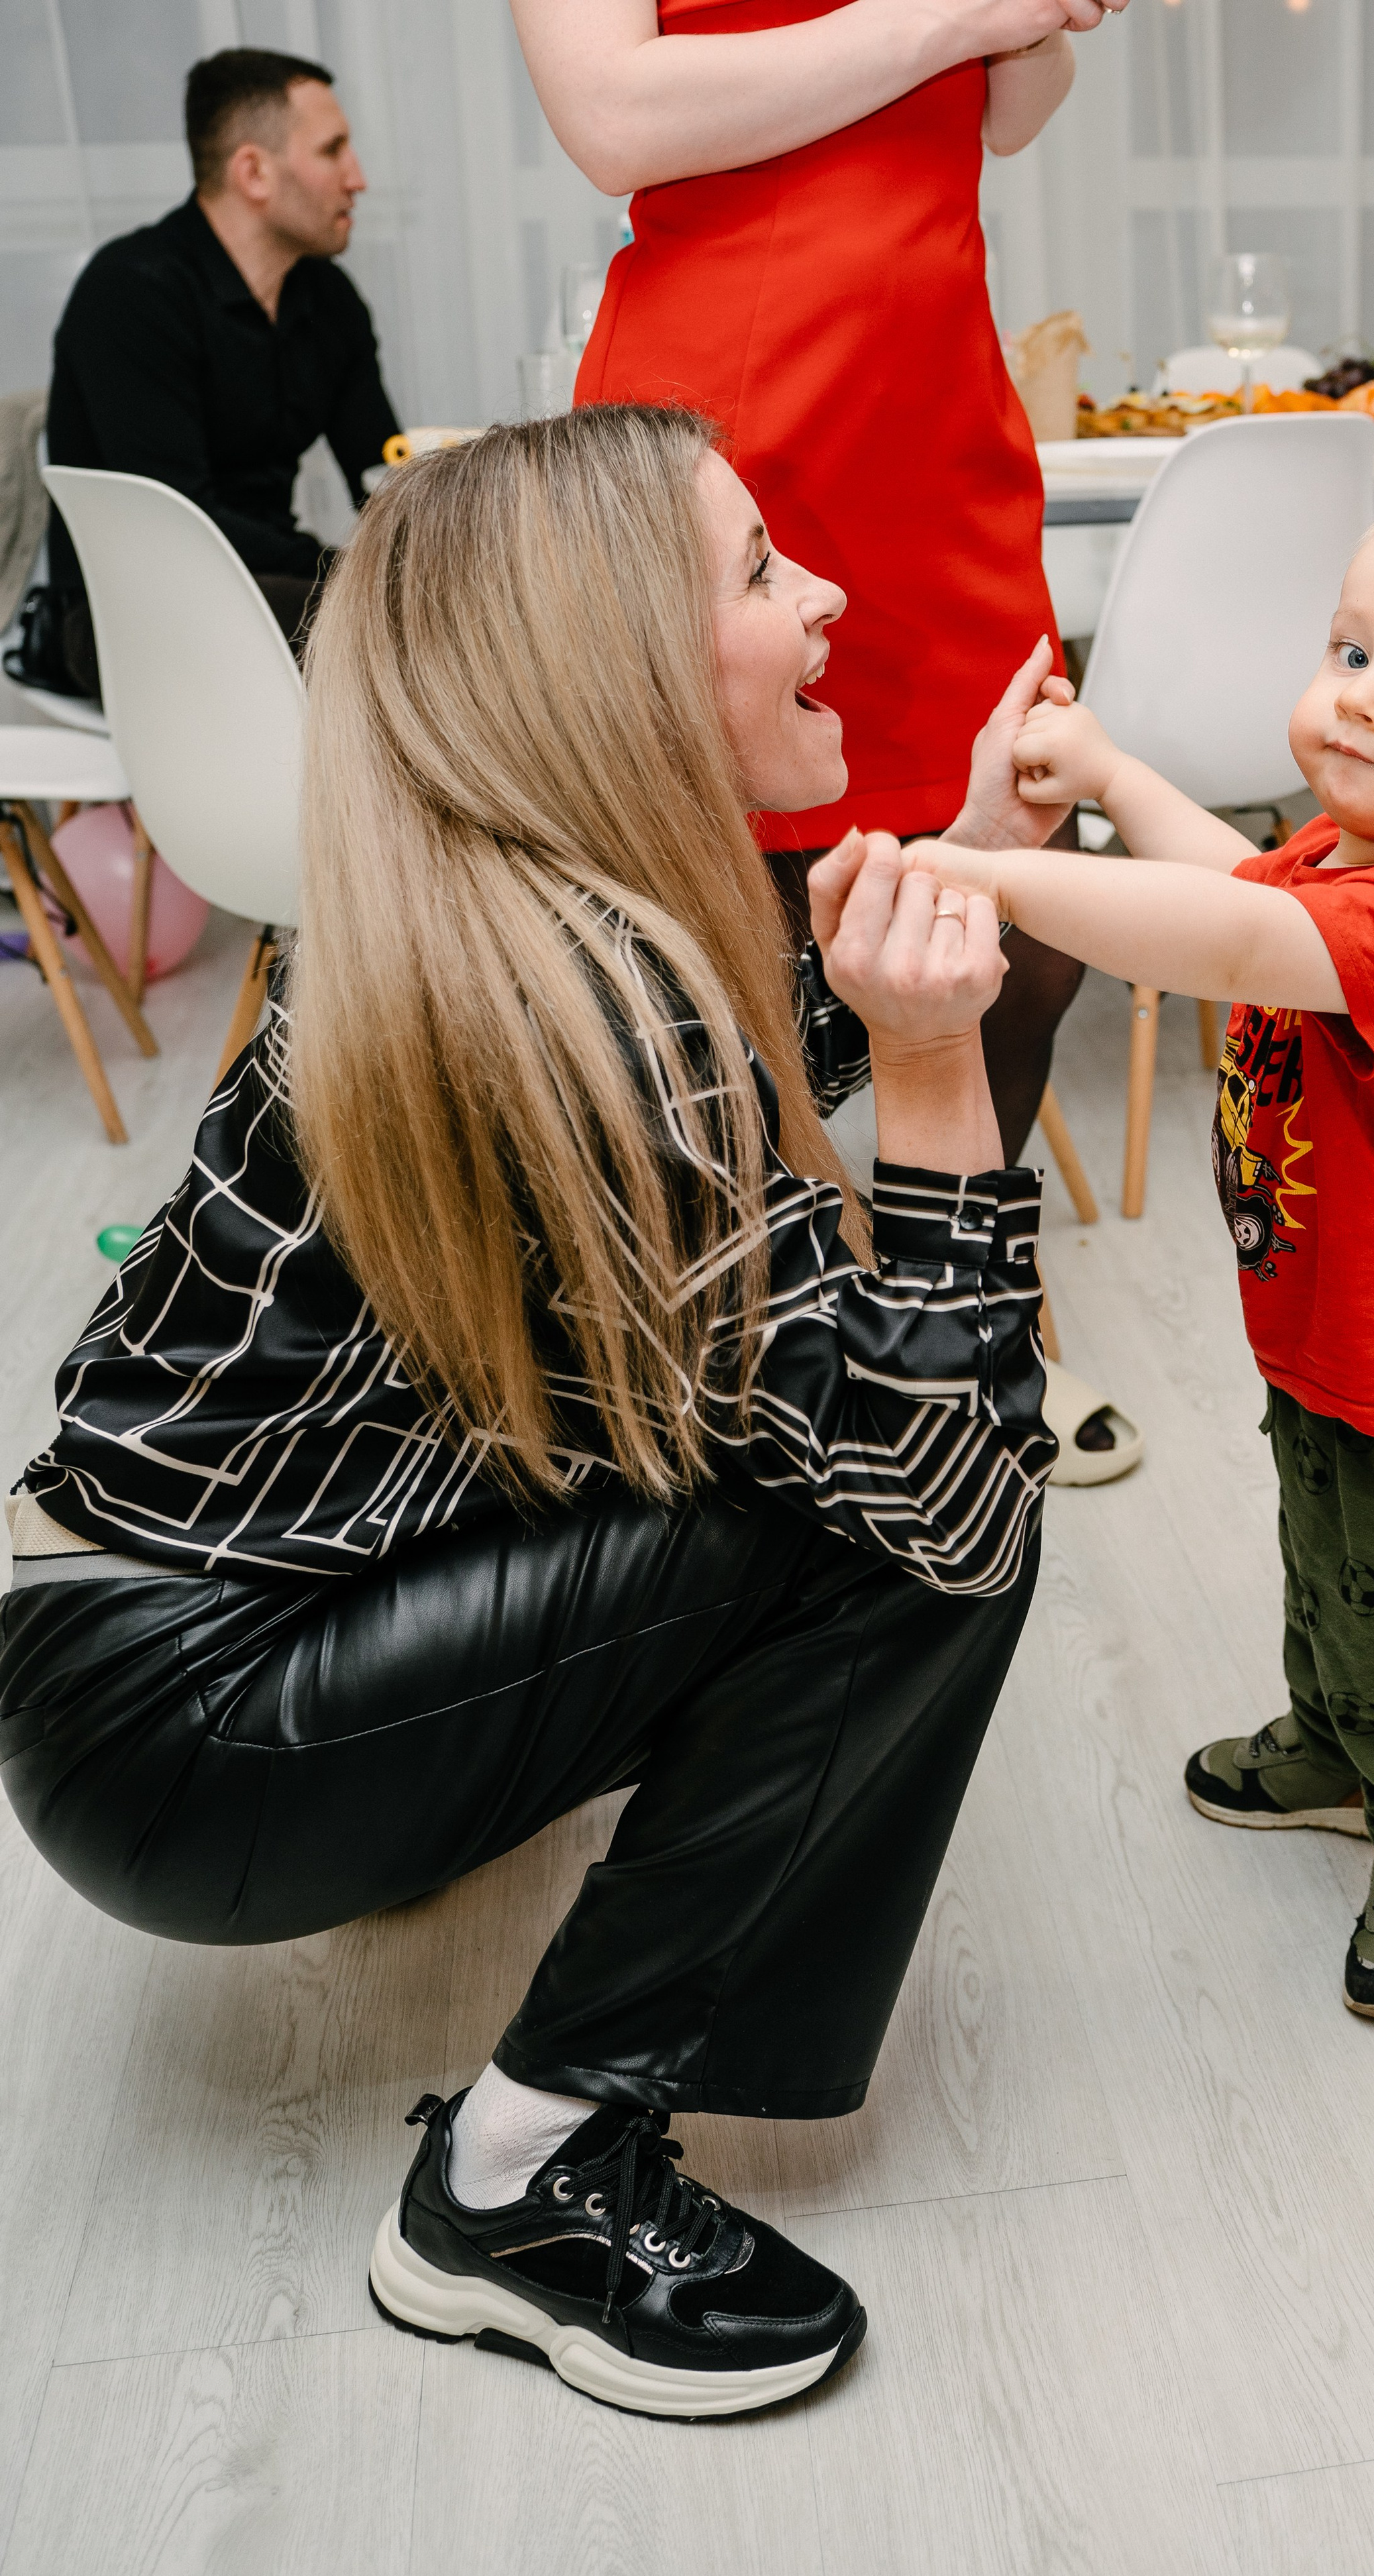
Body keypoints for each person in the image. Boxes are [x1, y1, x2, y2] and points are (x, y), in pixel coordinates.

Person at [0, 406, 1054, 2418]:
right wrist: (937, 1075)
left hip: (130, 1647)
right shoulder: (589, 1002)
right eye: (760, 569)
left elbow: (718, 1110)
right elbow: (945, 1487)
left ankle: (442, 1882)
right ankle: (521, 2183)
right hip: (186, 1730)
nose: (820, 594)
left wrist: (974, 861)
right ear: (621, 671)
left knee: (835, 1441)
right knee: (912, 1520)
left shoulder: (513, 910)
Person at [898, 494, 1374, 2025]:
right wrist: (1107, 780)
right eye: (1350, 648)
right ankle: (1326, 1738)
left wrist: (989, 877)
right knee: (1326, 1566)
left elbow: (1217, 947)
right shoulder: (1346, 851)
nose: (1362, 692)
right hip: (1323, 1338)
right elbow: (1238, 891)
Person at [511, 0, 1139, 1470]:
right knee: (733, 917)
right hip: (746, 419)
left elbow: (1006, 109)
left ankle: (970, 1311)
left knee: (1021, 919)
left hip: (936, 422)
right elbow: (614, 117)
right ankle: (749, 1334)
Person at [31, 48, 397, 700]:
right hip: (125, 611)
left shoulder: (329, 300)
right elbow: (180, 519)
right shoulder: (132, 291)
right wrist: (344, 575)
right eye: (332, 150)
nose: (357, 177)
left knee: (429, 618)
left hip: (271, 582)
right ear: (253, 171)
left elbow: (381, 473)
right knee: (379, 633)